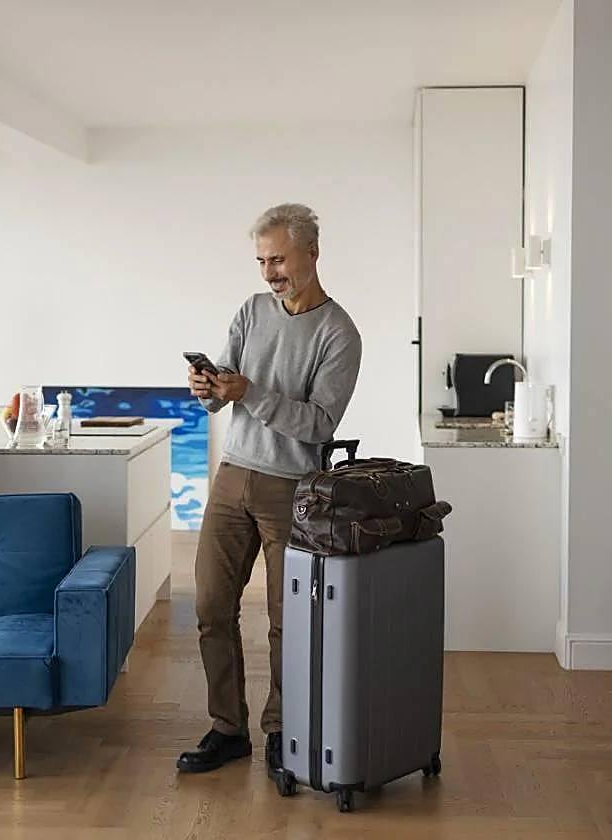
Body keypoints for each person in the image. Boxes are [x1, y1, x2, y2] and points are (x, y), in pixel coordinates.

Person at [176, 203, 362, 776]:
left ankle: (284, 730)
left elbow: (320, 424)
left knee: (288, 620)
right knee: (211, 606)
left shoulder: (339, 333)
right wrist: (207, 388)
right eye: (261, 261)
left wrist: (249, 392)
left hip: (293, 489)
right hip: (233, 475)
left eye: (278, 260)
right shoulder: (251, 311)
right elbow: (222, 395)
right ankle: (227, 729)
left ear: (312, 253)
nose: (269, 273)